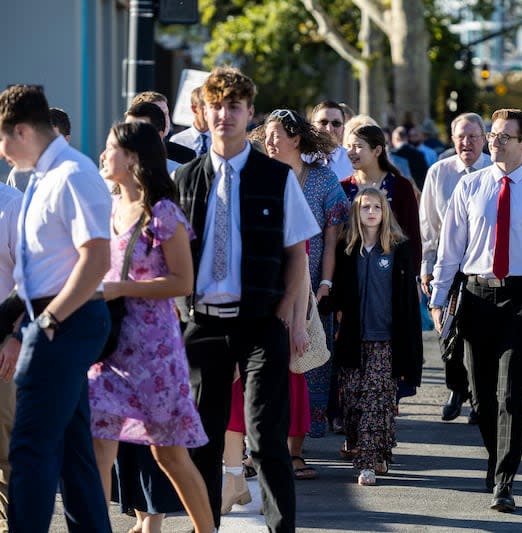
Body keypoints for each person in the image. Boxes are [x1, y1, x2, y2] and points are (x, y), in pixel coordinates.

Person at [173, 66, 320, 532]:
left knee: (266, 436)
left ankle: (282, 529)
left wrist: (285, 313)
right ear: (203, 111)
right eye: (216, 106)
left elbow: (297, 252)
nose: (224, 115)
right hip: (205, 324)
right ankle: (204, 526)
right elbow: (174, 255)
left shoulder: (276, 178)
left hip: (260, 322)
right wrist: (182, 312)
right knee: (204, 437)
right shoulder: (187, 178)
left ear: (248, 112)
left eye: (234, 106)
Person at [430, 109, 522, 513]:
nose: (493, 142)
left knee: (510, 391)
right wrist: (438, 300)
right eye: (492, 135)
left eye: (503, 137)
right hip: (475, 296)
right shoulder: (471, 186)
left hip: (521, 298)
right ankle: (496, 463)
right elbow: (450, 250)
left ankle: (504, 479)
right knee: (480, 397)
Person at [88, 121, 215, 533]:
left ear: (134, 158)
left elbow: (183, 281)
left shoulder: (162, 212)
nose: (104, 155)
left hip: (153, 351)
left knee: (169, 456)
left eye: (112, 149)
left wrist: (120, 287)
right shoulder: (106, 208)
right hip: (107, 350)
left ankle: (206, 530)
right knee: (97, 452)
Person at [0, 84, 112, 532]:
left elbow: (97, 259)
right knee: (73, 452)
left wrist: (46, 321)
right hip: (50, 318)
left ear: (22, 131)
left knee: (29, 446)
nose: (2, 152)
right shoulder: (45, 177)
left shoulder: (72, 174)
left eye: (3, 139)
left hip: (65, 322)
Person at [264, 109, 350, 463]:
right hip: (269, 285)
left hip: (313, 287)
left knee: (308, 366)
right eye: (266, 136)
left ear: (295, 139)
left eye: (276, 136)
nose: (269, 143)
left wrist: (326, 283)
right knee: (267, 367)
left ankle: (297, 450)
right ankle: (264, 444)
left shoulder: (323, 179)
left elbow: (332, 240)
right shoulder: (261, 177)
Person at [326, 188, 422, 485]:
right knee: (354, 402)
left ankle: (368, 462)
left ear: (385, 213)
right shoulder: (347, 250)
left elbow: (407, 301)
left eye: (377, 207)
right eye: (365, 207)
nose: (371, 212)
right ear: (356, 212)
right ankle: (376, 452)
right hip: (353, 339)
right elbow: (339, 293)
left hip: (386, 339)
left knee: (377, 400)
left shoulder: (397, 249)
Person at [419, 112, 491, 423]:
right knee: (447, 332)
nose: (467, 142)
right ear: (452, 139)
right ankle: (456, 387)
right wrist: (427, 267)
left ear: (484, 138)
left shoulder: (494, 170)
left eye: (473, 136)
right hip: (447, 264)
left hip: (484, 264)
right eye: (461, 136)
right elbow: (429, 227)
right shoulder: (439, 172)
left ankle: (479, 397)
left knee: (480, 335)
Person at [342, 124, 422, 271]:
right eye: (348, 146)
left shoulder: (401, 187)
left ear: (377, 150)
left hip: (392, 273)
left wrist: (413, 277)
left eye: (358, 146)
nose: (350, 152)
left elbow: (413, 236)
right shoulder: (343, 187)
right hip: (349, 273)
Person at [0, 180, 20, 533]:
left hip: (3, 342)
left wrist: (16, 337)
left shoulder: (13, 205)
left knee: (6, 452)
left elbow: (32, 278)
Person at [131, 91, 196, 165]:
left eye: (166, 113)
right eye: (158, 114)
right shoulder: (127, 154)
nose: (165, 119)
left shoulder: (186, 155)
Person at [309, 100, 353, 179]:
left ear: (343, 129)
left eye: (336, 123)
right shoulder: (299, 158)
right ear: (312, 127)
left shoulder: (353, 162)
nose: (329, 129)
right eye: (323, 122)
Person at [170, 86, 211, 157]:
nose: (211, 112)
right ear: (194, 109)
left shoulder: (223, 140)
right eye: (206, 108)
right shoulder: (177, 141)